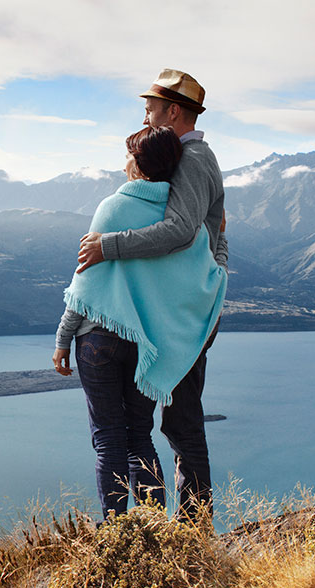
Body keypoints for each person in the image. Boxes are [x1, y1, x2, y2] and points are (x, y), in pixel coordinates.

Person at [73, 69, 229, 522]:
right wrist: (220, 252)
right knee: (171, 419)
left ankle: (194, 530)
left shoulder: (194, 158)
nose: (145, 116)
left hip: (189, 308)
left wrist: (108, 246)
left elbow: (181, 231)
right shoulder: (186, 156)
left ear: (173, 111)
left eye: (151, 109)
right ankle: (181, 527)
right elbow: (211, 228)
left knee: (180, 420)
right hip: (180, 304)